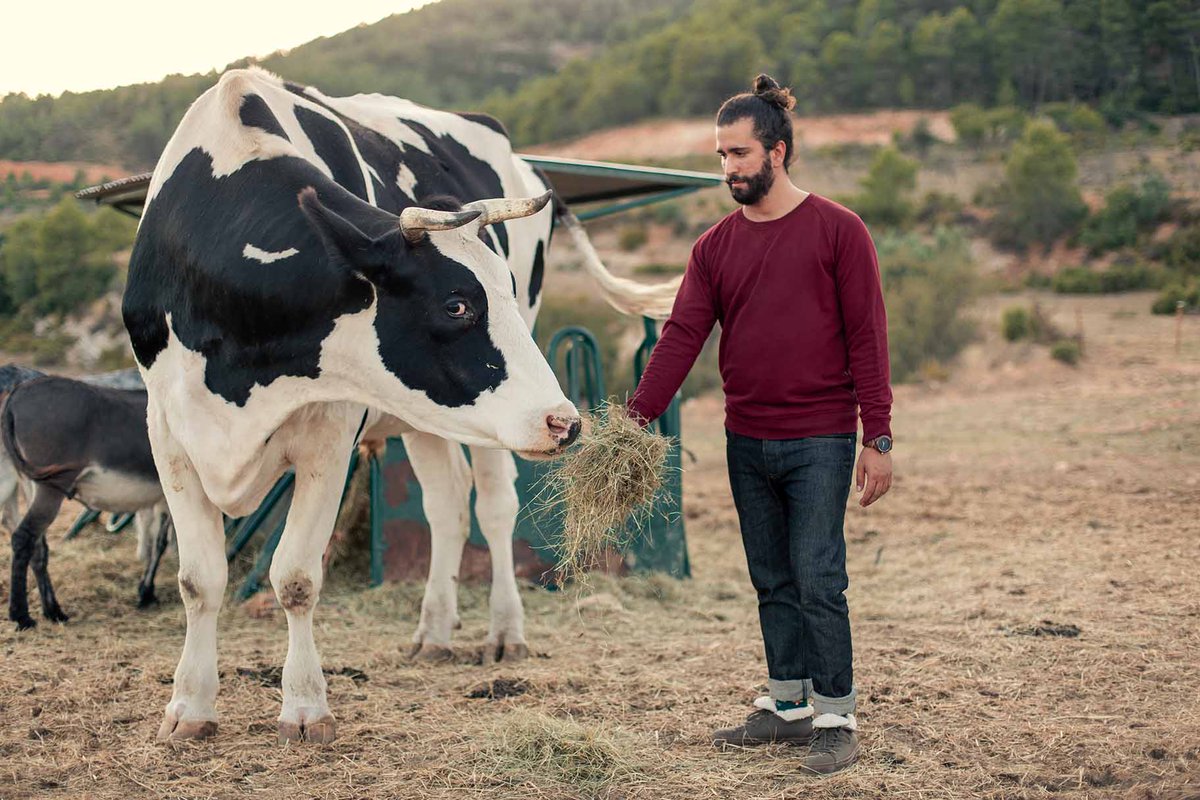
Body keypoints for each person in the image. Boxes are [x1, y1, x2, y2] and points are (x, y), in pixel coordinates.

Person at [626, 74, 894, 775]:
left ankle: (836, 715)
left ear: (778, 151)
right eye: (721, 155)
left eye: (739, 154)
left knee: (817, 577)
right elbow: (682, 335)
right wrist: (635, 419)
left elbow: (868, 337)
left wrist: (879, 437)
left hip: (821, 437)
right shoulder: (714, 248)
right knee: (771, 577)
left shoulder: (840, 231)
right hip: (746, 437)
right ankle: (787, 707)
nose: (728, 169)